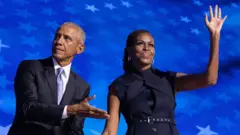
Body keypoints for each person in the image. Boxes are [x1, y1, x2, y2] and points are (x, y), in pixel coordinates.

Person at [102, 5, 227, 135]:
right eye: (140, 44)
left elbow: (210, 79)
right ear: (129, 50)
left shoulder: (168, 79)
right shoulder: (118, 85)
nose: (147, 48)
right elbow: (110, 130)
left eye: (151, 45)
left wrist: (215, 36)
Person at [8, 22, 110, 135]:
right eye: (57, 36)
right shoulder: (31, 67)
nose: (59, 42)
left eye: (67, 38)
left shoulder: (82, 86)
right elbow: (28, 108)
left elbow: (75, 129)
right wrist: (70, 109)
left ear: (80, 48)